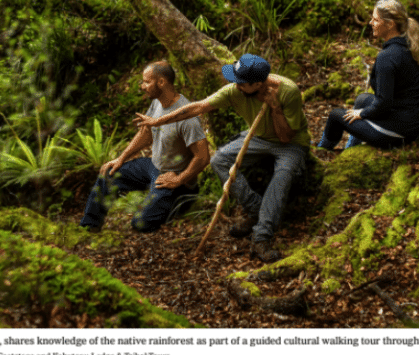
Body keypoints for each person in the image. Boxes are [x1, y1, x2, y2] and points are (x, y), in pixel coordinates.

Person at [134, 54, 310, 263]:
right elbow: (198, 107)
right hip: (258, 137)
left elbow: (286, 136)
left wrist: (275, 108)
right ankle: (256, 209)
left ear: (257, 83)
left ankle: (262, 237)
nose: (234, 85)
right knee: (219, 160)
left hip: (290, 144)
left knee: (282, 177)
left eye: (240, 82)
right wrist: (158, 121)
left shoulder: (287, 91)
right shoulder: (236, 90)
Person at [80, 61, 210, 233]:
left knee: (141, 223)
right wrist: (121, 159)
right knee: (109, 174)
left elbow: (203, 157)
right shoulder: (157, 102)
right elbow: (146, 134)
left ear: (161, 82)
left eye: (147, 82)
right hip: (153, 166)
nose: (142, 86)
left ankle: (179, 203)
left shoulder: (187, 118)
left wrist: (180, 179)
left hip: (174, 179)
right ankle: (89, 226)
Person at [318, 0, 419, 151]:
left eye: (375, 19)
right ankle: (350, 150)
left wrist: (363, 113)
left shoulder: (387, 57)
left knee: (335, 116)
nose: (370, 23)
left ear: (390, 24)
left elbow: (383, 104)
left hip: (404, 130)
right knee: (362, 99)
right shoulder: (414, 46)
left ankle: (321, 152)